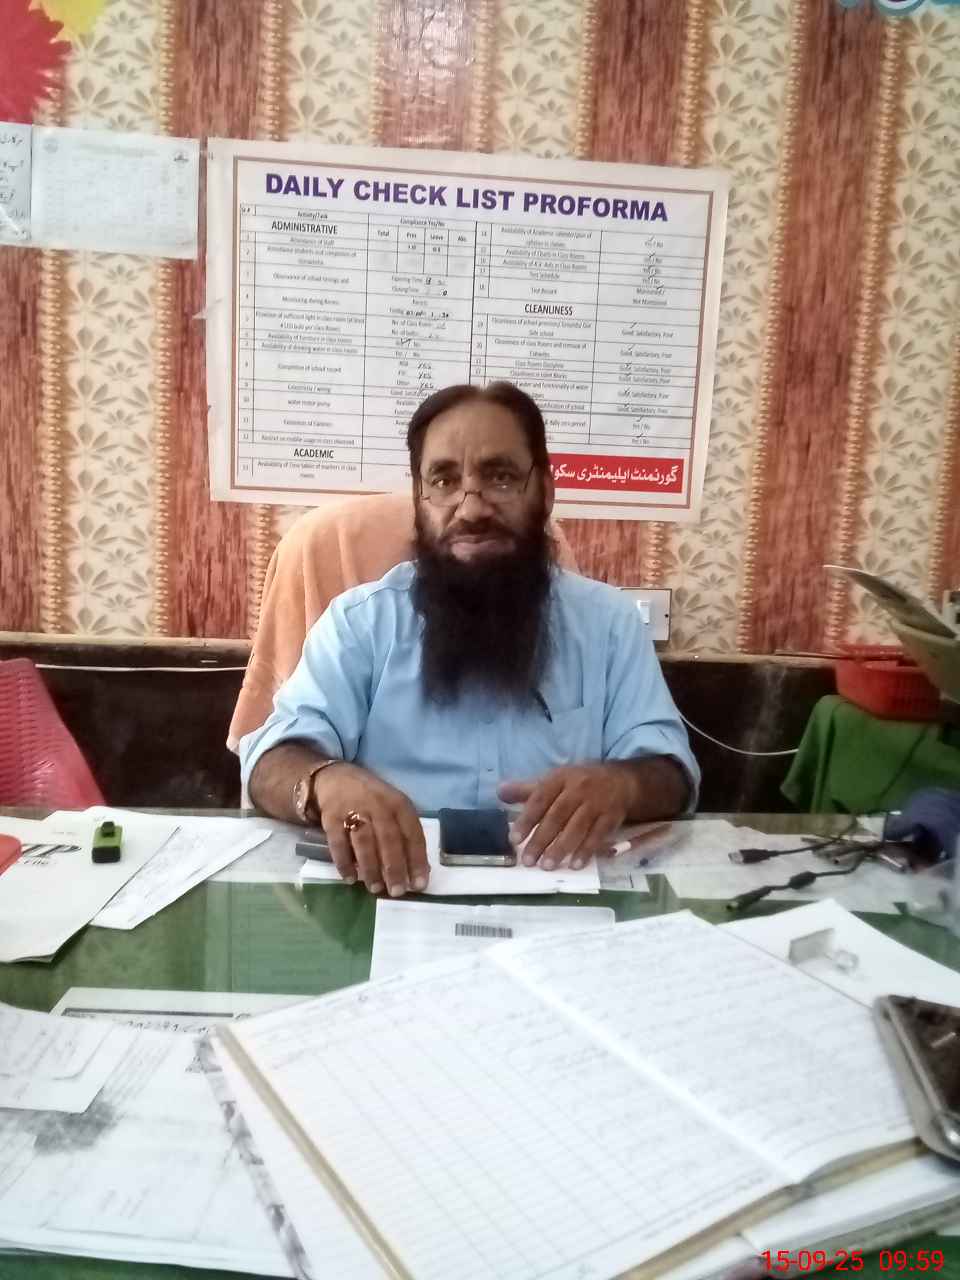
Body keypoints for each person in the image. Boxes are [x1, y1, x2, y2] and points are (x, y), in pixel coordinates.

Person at [240, 381, 699, 897]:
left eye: (500, 477)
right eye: (444, 480)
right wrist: (326, 781)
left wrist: (624, 784)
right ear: (420, 501)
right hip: (390, 892)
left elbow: (672, 773)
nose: (472, 508)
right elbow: (269, 760)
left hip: (566, 892)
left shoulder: (609, 624)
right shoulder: (360, 622)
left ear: (545, 493)